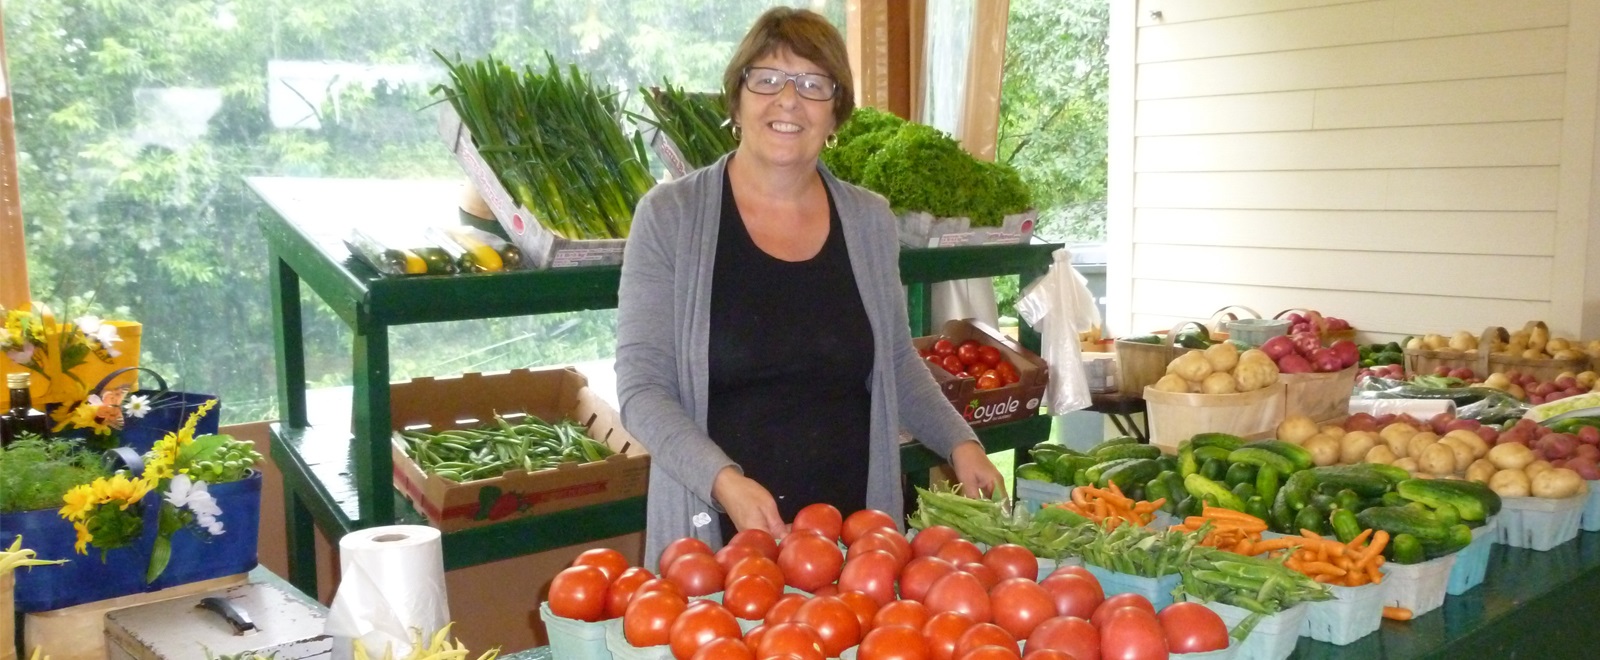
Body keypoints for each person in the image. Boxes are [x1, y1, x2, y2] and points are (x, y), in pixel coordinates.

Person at [615, 6, 1004, 566]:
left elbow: (895, 362)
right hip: (723, 538)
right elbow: (643, 389)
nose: (788, 100)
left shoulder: (868, 220)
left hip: (855, 539)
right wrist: (723, 481)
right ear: (737, 100)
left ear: (835, 113)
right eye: (767, 79)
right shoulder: (671, 216)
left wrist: (960, 443)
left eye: (813, 84)